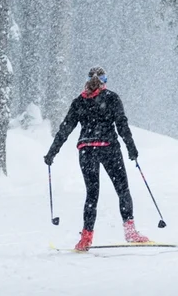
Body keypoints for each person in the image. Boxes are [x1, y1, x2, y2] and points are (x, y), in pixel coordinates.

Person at [44, 67, 150, 251]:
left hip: (86, 149)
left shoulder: (79, 102)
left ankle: (86, 238)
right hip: (108, 146)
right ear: (105, 80)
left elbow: (65, 129)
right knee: (122, 189)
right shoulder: (111, 97)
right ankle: (130, 232)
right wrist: (131, 148)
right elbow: (122, 125)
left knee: (92, 194)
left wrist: (52, 152)